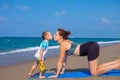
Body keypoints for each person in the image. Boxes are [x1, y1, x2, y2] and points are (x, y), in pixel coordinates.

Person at [49, 28, 120, 78]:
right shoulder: (66, 41)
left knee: (94, 73)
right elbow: (64, 59)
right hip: (91, 45)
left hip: (90, 48)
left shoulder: (63, 44)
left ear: (60, 37)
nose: (53, 35)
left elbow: (60, 60)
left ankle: (116, 65)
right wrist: (62, 72)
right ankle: (117, 62)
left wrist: (56, 75)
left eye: (55, 34)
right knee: (96, 68)